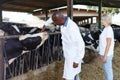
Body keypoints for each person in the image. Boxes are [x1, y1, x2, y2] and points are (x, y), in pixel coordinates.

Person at [42, 11, 85, 80]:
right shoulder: (63, 20)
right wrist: (45, 24)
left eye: (55, 23)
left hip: (73, 56)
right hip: (68, 54)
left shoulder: (72, 28)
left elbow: (81, 44)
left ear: (60, 20)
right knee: (74, 74)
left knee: (70, 76)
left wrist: (77, 60)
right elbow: (53, 18)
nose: (55, 24)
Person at [99, 14, 114, 80]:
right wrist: (101, 53)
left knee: (108, 72)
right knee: (107, 71)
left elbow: (108, 44)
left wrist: (104, 56)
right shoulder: (106, 29)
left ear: (106, 20)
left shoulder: (109, 29)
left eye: (102, 19)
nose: (101, 21)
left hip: (107, 55)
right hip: (104, 54)